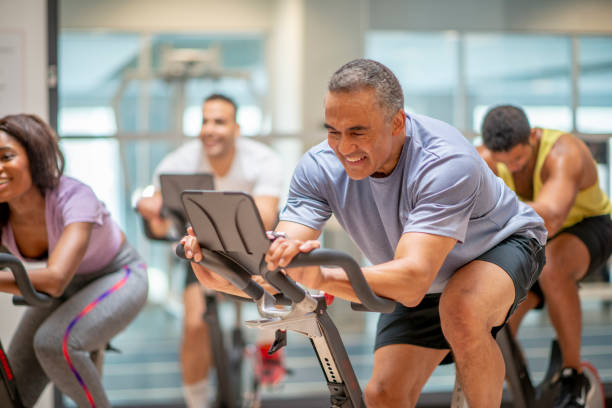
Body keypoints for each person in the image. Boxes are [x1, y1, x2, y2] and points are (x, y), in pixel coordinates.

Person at [181, 59, 547, 408]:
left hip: (499, 246)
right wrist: (222, 267)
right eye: (333, 131)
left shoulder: (445, 162)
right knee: (384, 393)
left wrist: (321, 276)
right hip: (413, 272)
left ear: (397, 122)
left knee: (461, 311)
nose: (344, 147)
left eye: (358, 132)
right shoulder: (318, 167)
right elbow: (284, 257)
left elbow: (412, 280)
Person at [136, 93, 283, 408]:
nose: (210, 129)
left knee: (276, 299)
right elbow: (163, 230)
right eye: (204, 121)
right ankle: (197, 402)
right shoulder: (176, 163)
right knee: (193, 325)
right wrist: (154, 212)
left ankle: (267, 348)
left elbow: (266, 216)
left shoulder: (263, 159)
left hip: (252, 250)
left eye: (219, 121)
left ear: (237, 128)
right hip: (203, 253)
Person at [0, 114, 148, 408]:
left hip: (119, 274)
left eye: (7, 156)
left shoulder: (74, 196)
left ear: (35, 157)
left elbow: (55, 280)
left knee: (55, 344)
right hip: (70, 286)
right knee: (8, 392)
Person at [478, 105, 612, 408]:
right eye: (504, 162)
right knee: (490, 319)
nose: (511, 168)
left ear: (534, 137)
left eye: (519, 159)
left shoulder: (564, 153)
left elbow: (550, 218)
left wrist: (490, 211)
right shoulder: (482, 159)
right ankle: (523, 394)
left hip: (588, 226)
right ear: (488, 150)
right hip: (530, 239)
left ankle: (572, 374)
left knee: (553, 267)